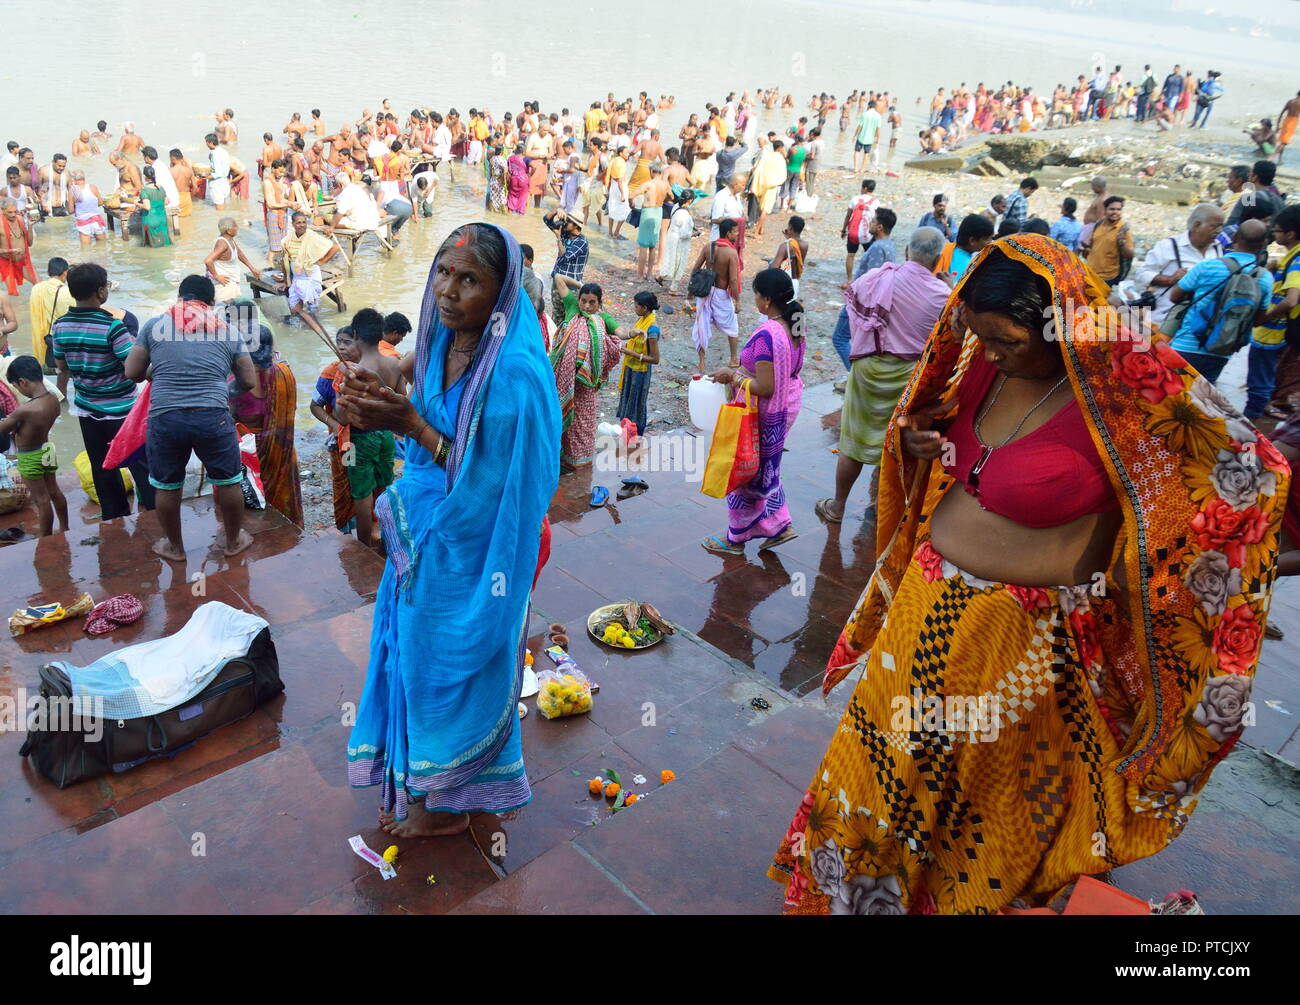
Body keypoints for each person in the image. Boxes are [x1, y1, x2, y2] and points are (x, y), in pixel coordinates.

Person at [769, 233, 1286, 915]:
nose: (989, 354)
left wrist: (1203, 573)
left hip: (1024, 654)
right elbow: (950, 439)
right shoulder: (987, 367)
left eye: (1007, 341)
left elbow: (1248, 470)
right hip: (924, 621)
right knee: (884, 771)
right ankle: (853, 900)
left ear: (1062, 326)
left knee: (976, 805)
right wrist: (924, 437)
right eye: (981, 338)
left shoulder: (1128, 399)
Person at [334, 223, 558, 836]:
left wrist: (411, 425)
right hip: (425, 535)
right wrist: (370, 405)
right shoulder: (437, 341)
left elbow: (499, 486)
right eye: (442, 272)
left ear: (502, 292)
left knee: (466, 659)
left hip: (485, 545)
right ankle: (422, 776)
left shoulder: (513, 375)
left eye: (469, 280)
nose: (448, 291)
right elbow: (413, 406)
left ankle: (457, 802)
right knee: (414, 654)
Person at [817, 228, 950, 524]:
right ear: (939, 259)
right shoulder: (944, 296)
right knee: (895, 444)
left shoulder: (874, 278)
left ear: (906, 252)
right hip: (908, 377)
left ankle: (837, 507)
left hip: (867, 370)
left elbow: (855, 324)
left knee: (852, 442)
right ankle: (882, 506)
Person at [124, 275, 254, 560]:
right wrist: (224, 390)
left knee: (167, 484)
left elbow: (132, 372)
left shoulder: (155, 326)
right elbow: (248, 379)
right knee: (229, 480)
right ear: (212, 303)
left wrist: (158, 371)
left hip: (166, 418)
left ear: (180, 297)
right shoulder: (228, 331)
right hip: (213, 417)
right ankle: (233, 543)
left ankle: (176, 547)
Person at [702, 268, 805, 555]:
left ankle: (736, 537)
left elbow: (765, 386)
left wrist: (732, 376)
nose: (755, 299)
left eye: (756, 294)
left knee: (744, 468)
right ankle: (779, 524)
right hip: (788, 402)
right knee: (766, 468)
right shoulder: (795, 319)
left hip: (766, 408)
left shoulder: (767, 335)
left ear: (767, 299)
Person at [48, 263, 154, 520]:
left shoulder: (60, 326)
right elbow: (133, 369)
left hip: (86, 408)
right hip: (122, 410)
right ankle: (154, 513)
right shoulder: (113, 327)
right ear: (101, 292)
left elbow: (62, 366)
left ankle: (114, 516)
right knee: (141, 464)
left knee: (103, 465)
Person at [1165, 219, 1272, 384]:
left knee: (1169, 398)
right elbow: (1257, 320)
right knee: (1198, 402)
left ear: (1234, 238)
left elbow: (1174, 297)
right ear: (1263, 244)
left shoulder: (1208, 266)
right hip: (1222, 350)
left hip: (1186, 345)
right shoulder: (1265, 278)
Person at [227, 308, 304, 527]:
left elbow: (229, 416)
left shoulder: (236, 379)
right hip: (282, 447)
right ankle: (289, 530)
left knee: (253, 500)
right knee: (282, 498)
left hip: (251, 451)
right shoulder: (284, 373)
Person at [549, 276, 624, 471]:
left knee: (582, 423)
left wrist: (633, 333)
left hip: (586, 384)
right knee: (560, 417)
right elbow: (558, 278)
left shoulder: (603, 319)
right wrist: (583, 287)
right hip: (564, 381)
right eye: (584, 300)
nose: (587, 306)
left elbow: (620, 332)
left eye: (593, 302)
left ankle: (579, 461)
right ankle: (561, 459)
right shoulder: (573, 307)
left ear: (599, 304)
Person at [0, 355, 68, 535]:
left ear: (22, 382)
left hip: (30, 456)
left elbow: (3, 428)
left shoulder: (25, 410)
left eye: (15, 387)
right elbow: (34, 425)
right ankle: (64, 527)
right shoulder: (53, 399)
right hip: (47, 448)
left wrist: (12, 422)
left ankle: (45, 538)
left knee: (41, 500)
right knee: (54, 492)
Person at [1244, 205, 1300, 419]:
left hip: (1272, 332)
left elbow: (1291, 299)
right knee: (1265, 376)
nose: (1273, 235)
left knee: (1259, 379)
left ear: (1290, 234)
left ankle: (1250, 421)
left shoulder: (1297, 261)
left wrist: (1263, 318)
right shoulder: (1291, 258)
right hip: (1277, 332)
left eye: (1276, 231)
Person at [1133, 204, 1225, 324]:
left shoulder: (1217, 249)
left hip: (1197, 323)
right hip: (1163, 321)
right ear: (1197, 225)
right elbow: (1141, 274)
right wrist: (1171, 279)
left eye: (1221, 226)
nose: (1219, 231)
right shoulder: (1168, 246)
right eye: (1214, 226)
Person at [832, 209, 899, 371]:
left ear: (880, 227)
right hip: (873, 304)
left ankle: (856, 377)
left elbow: (870, 281)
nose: (870, 223)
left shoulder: (877, 248)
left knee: (840, 339)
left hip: (860, 303)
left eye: (873, 221)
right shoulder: (890, 245)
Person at [690, 218, 742, 374]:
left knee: (701, 325)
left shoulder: (708, 247)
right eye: (735, 231)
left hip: (705, 292)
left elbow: (695, 269)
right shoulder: (731, 252)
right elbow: (733, 280)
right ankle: (733, 358)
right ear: (728, 233)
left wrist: (690, 292)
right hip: (720, 293)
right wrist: (737, 300)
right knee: (732, 325)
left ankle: (701, 362)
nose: (738, 234)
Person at [615, 291, 661, 437]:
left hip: (640, 372)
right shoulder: (642, 320)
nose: (634, 309)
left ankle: (636, 434)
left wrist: (631, 353)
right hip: (631, 368)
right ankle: (628, 432)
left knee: (637, 403)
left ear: (645, 308)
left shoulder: (652, 329)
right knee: (629, 400)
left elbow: (655, 359)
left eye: (636, 306)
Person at [206, 217, 260, 303]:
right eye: (235, 226)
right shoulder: (222, 244)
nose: (237, 228)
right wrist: (217, 276)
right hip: (224, 285)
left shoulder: (229, 239)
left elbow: (239, 253)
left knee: (236, 309)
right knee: (227, 311)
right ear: (228, 231)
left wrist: (252, 268)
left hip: (232, 281)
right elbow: (208, 260)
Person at [29, 257, 70, 370]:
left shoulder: (36, 288)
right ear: (66, 272)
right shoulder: (66, 291)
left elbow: (35, 315)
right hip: (62, 340)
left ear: (48, 273)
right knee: (68, 372)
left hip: (45, 341)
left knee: (59, 374)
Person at [1081, 196, 1132, 286]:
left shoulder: (1124, 229)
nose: (1115, 212)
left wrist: (1122, 243)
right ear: (1105, 210)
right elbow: (1092, 246)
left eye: (1118, 209)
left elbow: (1130, 255)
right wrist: (1086, 249)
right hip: (1090, 272)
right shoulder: (1099, 224)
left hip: (1107, 277)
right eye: (1112, 209)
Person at [658, 189, 698, 295]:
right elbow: (684, 234)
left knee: (670, 259)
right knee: (679, 262)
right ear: (690, 200)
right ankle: (673, 289)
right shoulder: (685, 215)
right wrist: (694, 234)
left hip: (671, 236)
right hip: (680, 241)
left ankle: (661, 276)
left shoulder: (676, 206)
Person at [841, 179, 880, 284]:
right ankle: (867, 280)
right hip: (867, 234)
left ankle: (849, 280)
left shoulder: (855, 199)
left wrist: (844, 229)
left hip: (853, 232)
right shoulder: (876, 202)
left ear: (865, 188)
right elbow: (877, 219)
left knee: (850, 255)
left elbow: (848, 215)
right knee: (869, 256)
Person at [0, 198, 35, 296]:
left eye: (15, 212)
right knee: (13, 294)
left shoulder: (19, 219)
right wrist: (9, 251)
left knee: (38, 285)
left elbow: (29, 243)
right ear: (2, 210)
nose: (13, 215)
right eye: (10, 212)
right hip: (6, 263)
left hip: (23, 261)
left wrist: (30, 226)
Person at [770, 215, 809, 297]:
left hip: (783, 283)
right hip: (795, 282)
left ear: (790, 227)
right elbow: (797, 262)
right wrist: (788, 238)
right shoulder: (805, 245)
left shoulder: (785, 246)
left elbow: (774, 268)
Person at [136, 166, 172, 247]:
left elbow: (147, 207)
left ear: (145, 177)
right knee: (164, 243)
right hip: (162, 219)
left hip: (150, 220)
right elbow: (167, 201)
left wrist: (137, 203)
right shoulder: (161, 188)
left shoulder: (145, 190)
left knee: (151, 245)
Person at [1275, 92, 1300, 164]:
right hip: (1293, 122)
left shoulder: (1290, 101)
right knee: (1284, 142)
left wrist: (1277, 125)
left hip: (1286, 121)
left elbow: (1281, 113)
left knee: (1283, 141)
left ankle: (1279, 159)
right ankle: (1275, 158)